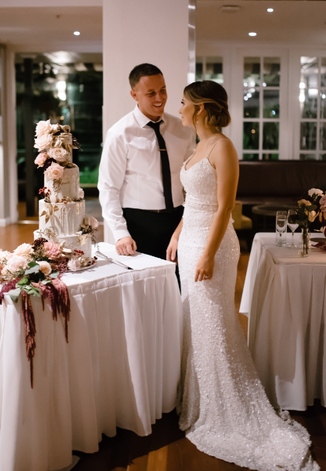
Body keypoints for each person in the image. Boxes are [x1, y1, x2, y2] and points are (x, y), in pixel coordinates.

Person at [166, 80, 318, 470]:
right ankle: (199, 397)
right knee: (195, 321)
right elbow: (193, 204)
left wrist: (208, 254)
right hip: (191, 241)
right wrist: (178, 233)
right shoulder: (196, 146)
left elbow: (223, 208)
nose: (178, 108)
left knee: (214, 320)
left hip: (213, 245)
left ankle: (226, 408)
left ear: (200, 108)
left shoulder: (223, 146)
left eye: (183, 103)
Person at [98, 63, 195, 259]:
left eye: (163, 90)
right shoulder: (119, 134)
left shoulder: (183, 128)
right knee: (145, 287)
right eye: (151, 93)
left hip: (179, 221)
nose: (159, 98)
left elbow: (192, 178)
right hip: (138, 224)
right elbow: (108, 188)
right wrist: (120, 233)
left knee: (179, 285)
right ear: (134, 95)